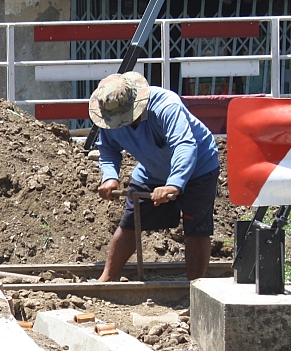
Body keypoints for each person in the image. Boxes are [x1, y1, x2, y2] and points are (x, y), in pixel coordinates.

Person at [90, 72, 220, 282]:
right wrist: (110, 177)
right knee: (130, 223)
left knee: (196, 229)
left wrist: (174, 184)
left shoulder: (166, 106)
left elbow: (184, 145)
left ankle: (194, 288)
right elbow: (108, 149)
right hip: (151, 169)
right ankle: (106, 280)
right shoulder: (110, 118)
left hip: (199, 166)